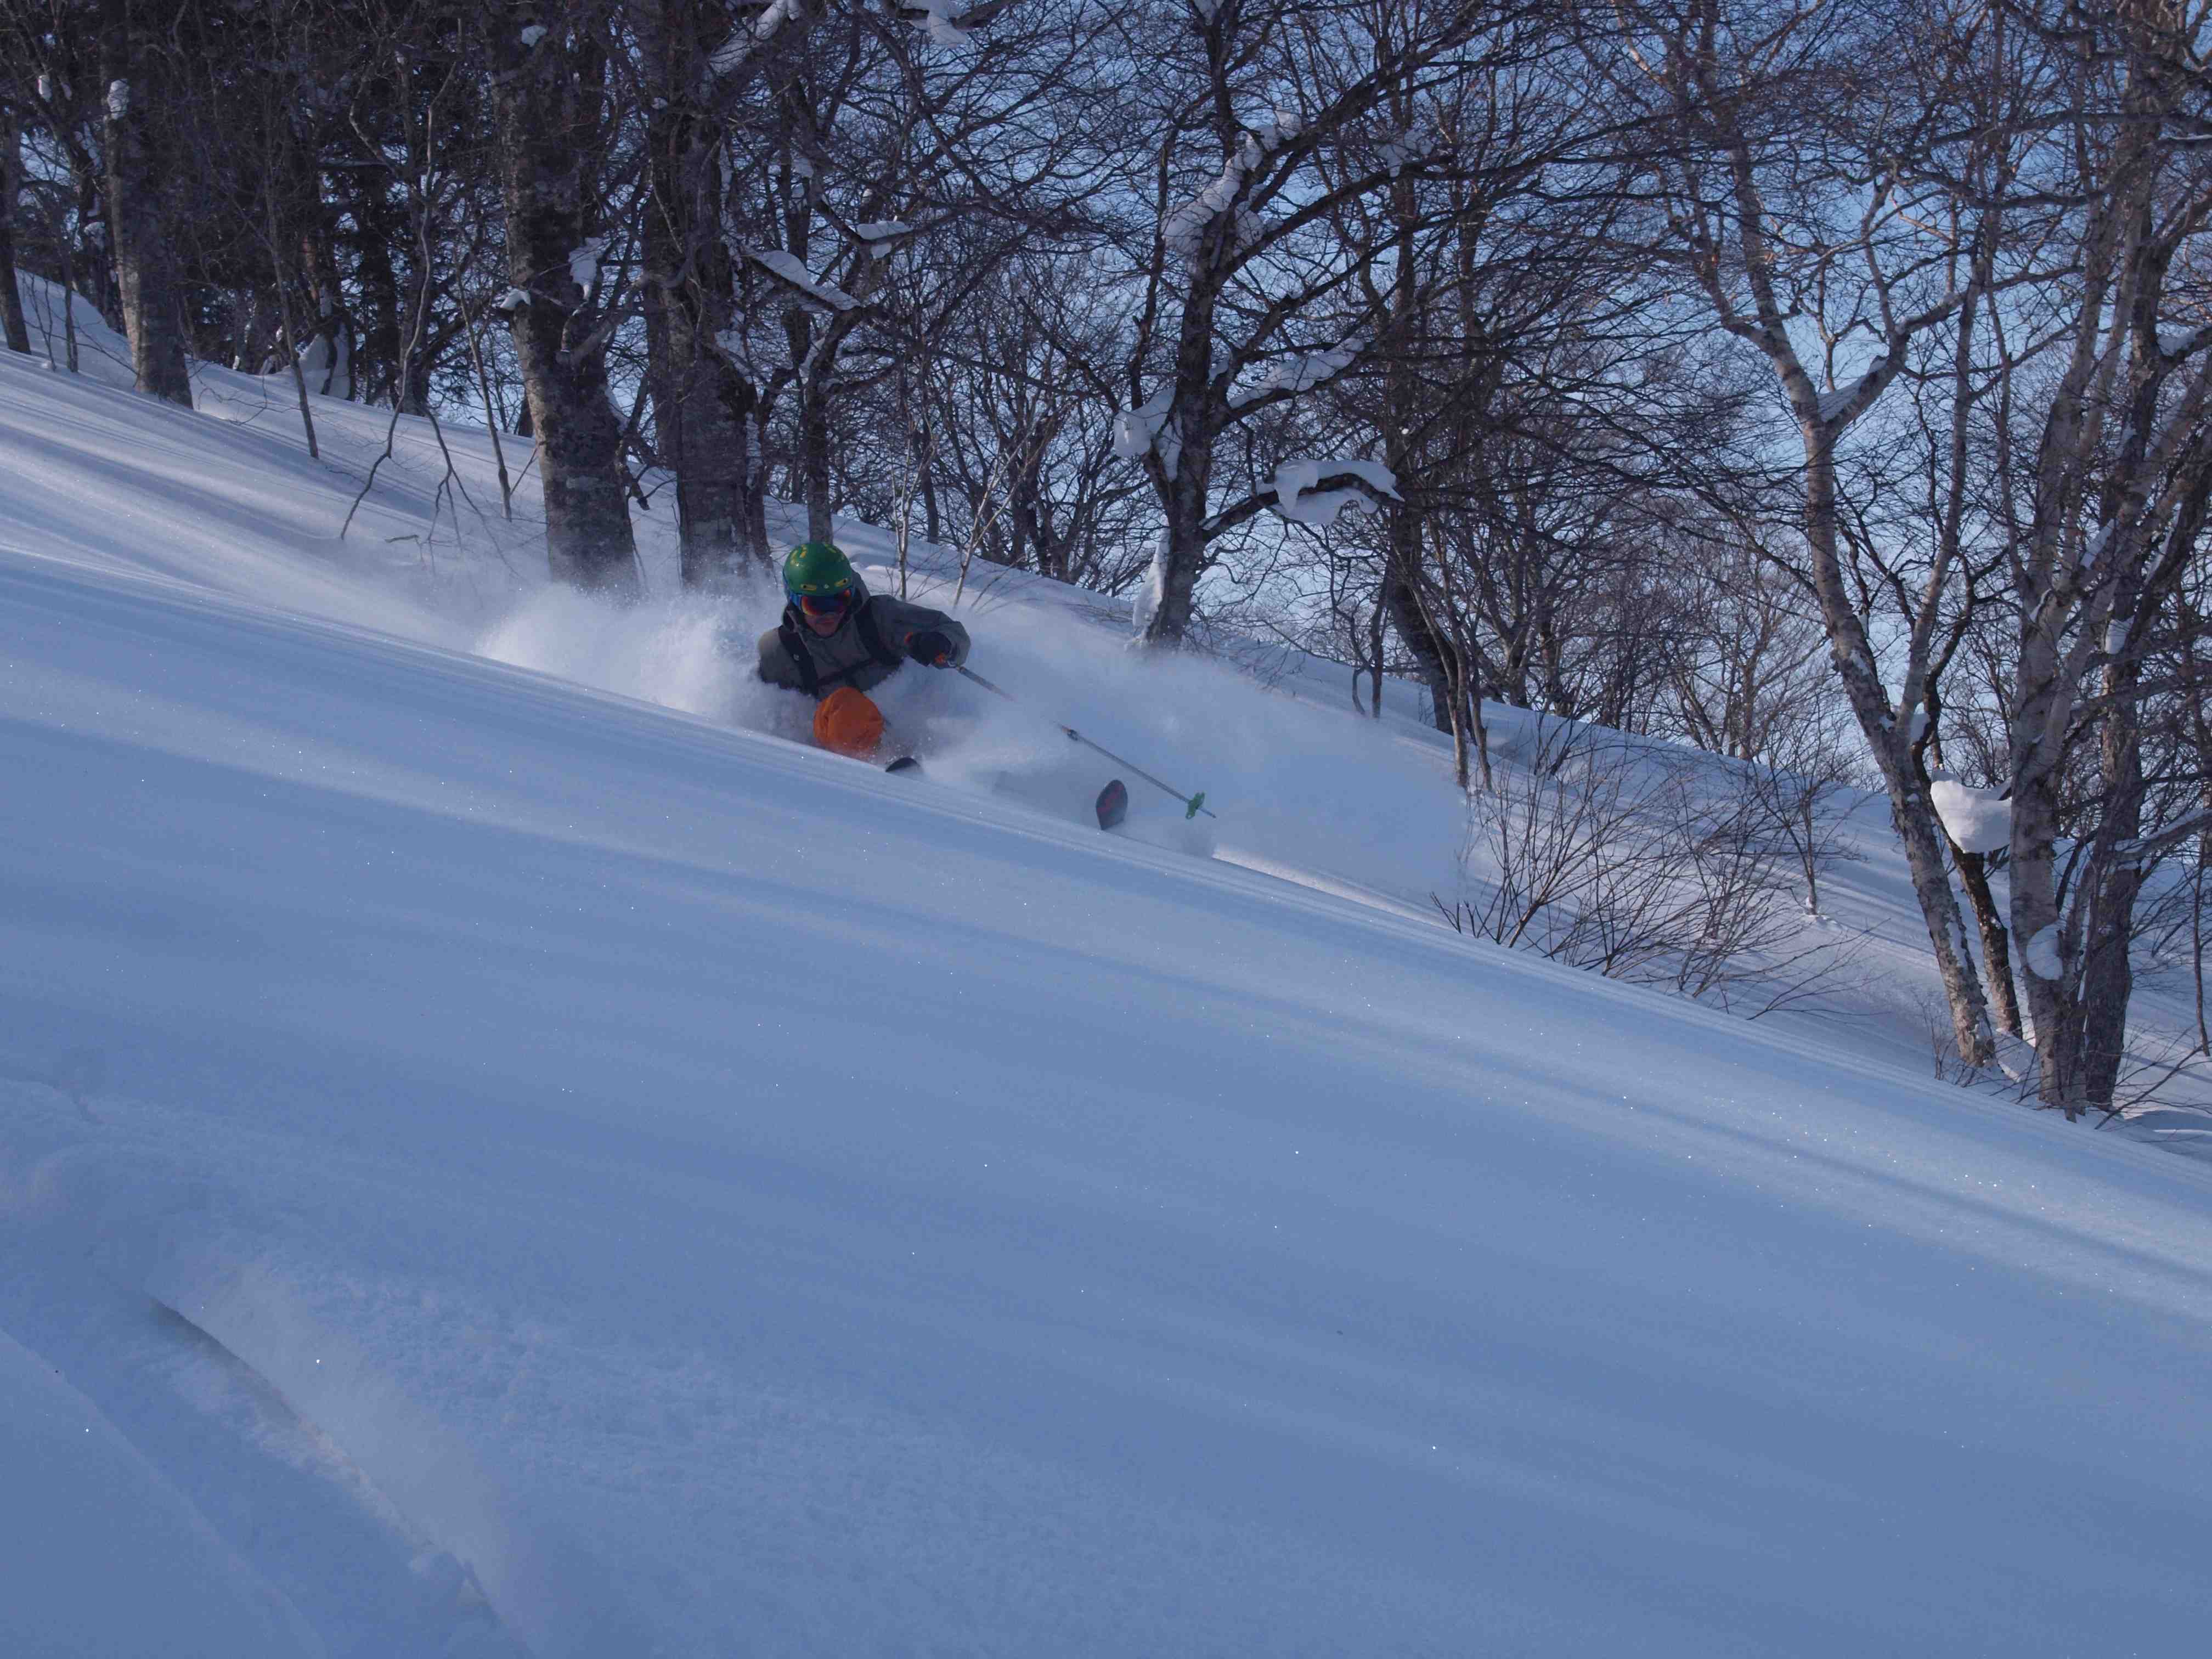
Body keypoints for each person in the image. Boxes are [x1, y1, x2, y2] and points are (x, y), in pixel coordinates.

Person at [758, 540, 970, 757]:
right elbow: (764, 710)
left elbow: (953, 631)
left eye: (840, 601)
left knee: (951, 702)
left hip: (911, 726)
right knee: (845, 708)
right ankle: (885, 772)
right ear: (793, 600)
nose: (829, 614)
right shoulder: (779, 650)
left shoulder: (880, 617)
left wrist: (942, 643)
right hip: (844, 755)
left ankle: (967, 760)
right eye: (816, 605)